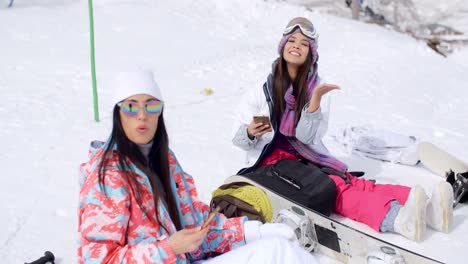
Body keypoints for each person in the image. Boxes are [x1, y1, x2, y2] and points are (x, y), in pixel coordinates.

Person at [231, 17, 454, 242]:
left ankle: (427, 209)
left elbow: (307, 137)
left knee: (350, 181)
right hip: (272, 165)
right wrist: (250, 131)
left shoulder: (316, 88)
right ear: (283, 46)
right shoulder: (260, 90)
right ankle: (397, 218)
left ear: (311, 53)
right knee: (337, 189)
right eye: (292, 40)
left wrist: (315, 101)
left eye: (304, 43)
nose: (296, 46)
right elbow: (238, 138)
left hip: (308, 159)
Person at [78, 69, 318, 264]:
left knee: (275, 250)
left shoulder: (164, 161)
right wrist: (168, 249)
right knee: (277, 254)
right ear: (118, 113)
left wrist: (253, 232)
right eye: (131, 106)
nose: (142, 115)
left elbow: (196, 228)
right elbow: (98, 260)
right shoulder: (108, 177)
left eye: (150, 105)